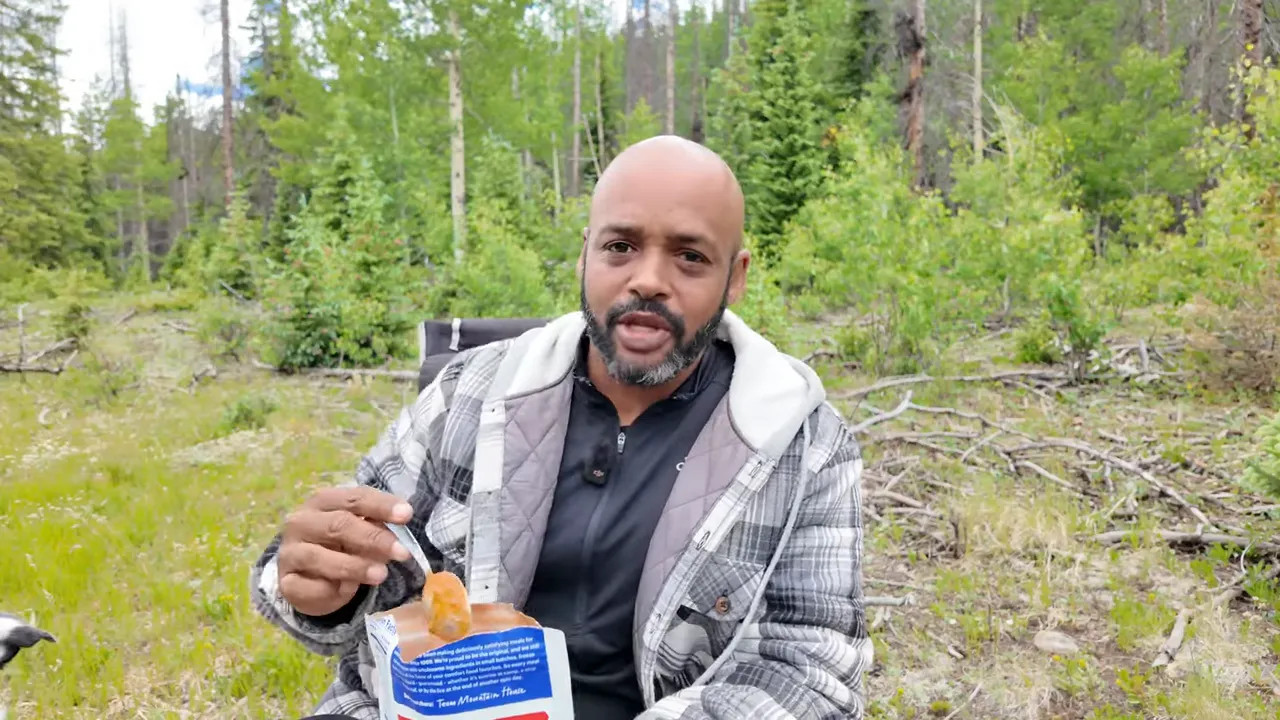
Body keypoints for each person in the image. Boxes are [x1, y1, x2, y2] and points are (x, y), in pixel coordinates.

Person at [250, 135, 872, 720]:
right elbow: (356, 569)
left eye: (689, 256)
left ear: (734, 276)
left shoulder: (801, 443)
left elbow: (810, 667)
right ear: (585, 253)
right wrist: (317, 591)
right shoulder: (471, 391)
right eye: (620, 246)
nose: (648, 279)